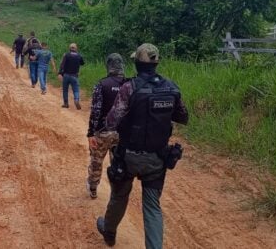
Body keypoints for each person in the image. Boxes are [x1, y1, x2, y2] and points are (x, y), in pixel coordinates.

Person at [97, 43, 189, 248]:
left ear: (137, 64)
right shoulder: (171, 87)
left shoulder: (129, 88)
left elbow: (111, 121)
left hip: (128, 156)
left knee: (119, 196)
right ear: (156, 63)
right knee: (152, 207)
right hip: (157, 158)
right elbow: (183, 117)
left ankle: (109, 232)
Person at [86, 53, 127, 199]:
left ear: (108, 66)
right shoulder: (129, 84)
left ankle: (93, 187)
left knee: (96, 161)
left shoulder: (102, 84)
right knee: (117, 163)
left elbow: (96, 110)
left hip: (103, 132)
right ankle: (116, 192)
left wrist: (91, 132)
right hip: (121, 133)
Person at [58, 43, 85, 109]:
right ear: (76, 48)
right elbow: (82, 63)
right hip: (74, 76)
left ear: (69, 48)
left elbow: (62, 65)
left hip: (66, 75)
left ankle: (66, 104)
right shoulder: (79, 56)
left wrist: (60, 73)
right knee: (76, 90)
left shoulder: (66, 55)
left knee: (65, 90)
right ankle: (76, 100)